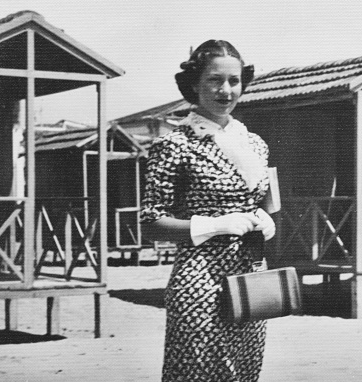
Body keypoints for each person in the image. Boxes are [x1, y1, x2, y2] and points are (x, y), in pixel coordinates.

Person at [140, 39, 276, 382]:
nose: (225, 90)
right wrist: (216, 225)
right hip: (201, 281)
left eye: (234, 81)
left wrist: (265, 218)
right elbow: (150, 221)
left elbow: (261, 199)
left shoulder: (256, 144)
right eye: (215, 80)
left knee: (245, 372)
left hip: (249, 277)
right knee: (199, 372)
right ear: (195, 84)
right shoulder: (175, 144)